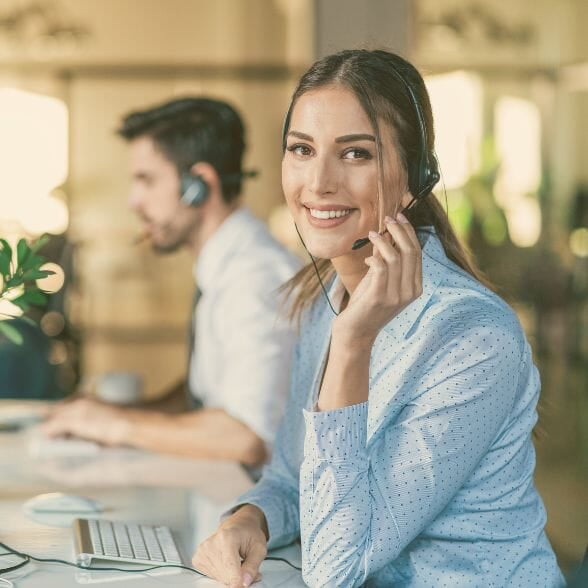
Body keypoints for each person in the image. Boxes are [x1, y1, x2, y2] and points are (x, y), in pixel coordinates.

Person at [192, 50, 564, 587]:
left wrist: (352, 344)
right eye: (301, 149)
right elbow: (293, 476)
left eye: (356, 154)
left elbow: (336, 566)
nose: (319, 182)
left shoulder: (474, 338)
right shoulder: (322, 303)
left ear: (414, 178)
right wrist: (251, 516)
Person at [42, 97, 299, 467]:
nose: (134, 201)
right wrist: (125, 412)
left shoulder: (254, 279)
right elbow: (212, 392)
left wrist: (117, 424)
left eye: (146, 180)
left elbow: (247, 437)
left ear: (199, 184)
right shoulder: (225, 267)